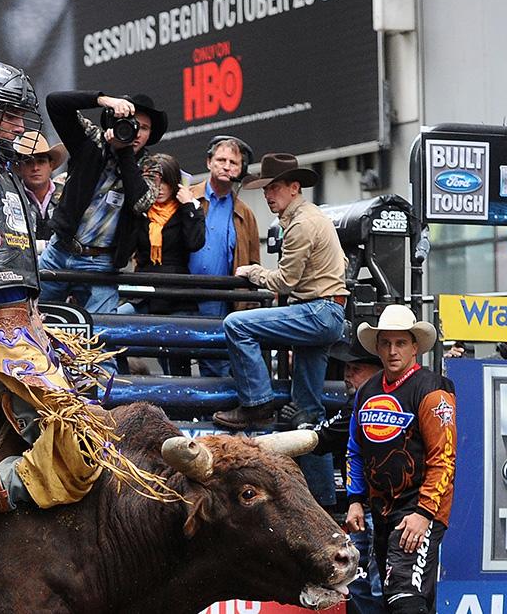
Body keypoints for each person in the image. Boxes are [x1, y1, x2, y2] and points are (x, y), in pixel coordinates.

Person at [0, 0, 171, 589]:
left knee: (92, 415)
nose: (23, 128)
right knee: (84, 443)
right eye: (12, 115)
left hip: (24, 326)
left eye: (23, 116)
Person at [212, 153, 346, 507]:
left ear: (293, 188)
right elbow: (339, 264)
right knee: (309, 413)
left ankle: (256, 401)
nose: (269, 196)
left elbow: (286, 281)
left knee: (236, 324)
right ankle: (324, 502)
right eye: (267, 189)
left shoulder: (300, 223)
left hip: (316, 311)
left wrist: (252, 271)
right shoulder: (315, 217)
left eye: (273, 188)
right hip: (328, 310)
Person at [347, 304, 457, 614]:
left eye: (401, 343)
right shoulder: (366, 390)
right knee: (401, 596)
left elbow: (444, 457)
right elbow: (355, 449)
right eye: (386, 343)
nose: (393, 351)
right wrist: (356, 499)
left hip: (419, 509)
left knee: (403, 595)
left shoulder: (432, 389)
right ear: (378, 347)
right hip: (380, 512)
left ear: (415, 348)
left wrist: (424, 512)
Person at [38, 89, 163, 314]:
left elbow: (141, 203)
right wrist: (103, 99)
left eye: (143, 128)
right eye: (129, 123)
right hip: (60, 250)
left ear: (150, 134)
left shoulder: (150, 166)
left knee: (102, 335)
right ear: (113, 122)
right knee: (33, 317)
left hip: (101, 262)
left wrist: (123, 151)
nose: (135, 132)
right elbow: (54, 102)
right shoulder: (92, 140)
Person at [299, 340, 385, 614]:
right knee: (360, 583)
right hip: (364, 506)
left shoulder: (369, 404)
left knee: (379, 584)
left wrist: (299, 426)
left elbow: (323, 437)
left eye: (356, 368)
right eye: (347, 368)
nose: (348, 374)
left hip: (384, 509)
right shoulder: (357, 403)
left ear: (375, 372)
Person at [187, 135, 260, 377]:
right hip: (180, 298)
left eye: (233, 162)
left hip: (222, 303)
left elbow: (253, 262)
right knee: (175, 364)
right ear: (209, 162)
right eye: (221, 159)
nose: (227, 166)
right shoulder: (186, 198)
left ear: (241, 169)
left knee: (216, 367)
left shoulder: (245, 213)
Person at [120, 153, 205, 315]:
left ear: (174, 183)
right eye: (154, 181)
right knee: (116, 318)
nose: (159, 187)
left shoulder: (187, 209)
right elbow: (126, 250)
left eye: (165, 181)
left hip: (177, 295)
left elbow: (195, 243)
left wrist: (188, 206)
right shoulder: (141, 209)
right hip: (143, 293)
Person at [10, 134, 66, 250]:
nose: (35, 167)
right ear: (20, 167)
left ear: (51, 165)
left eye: (41, 161)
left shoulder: (67, 194)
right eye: (28, 162)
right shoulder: (11, 198)